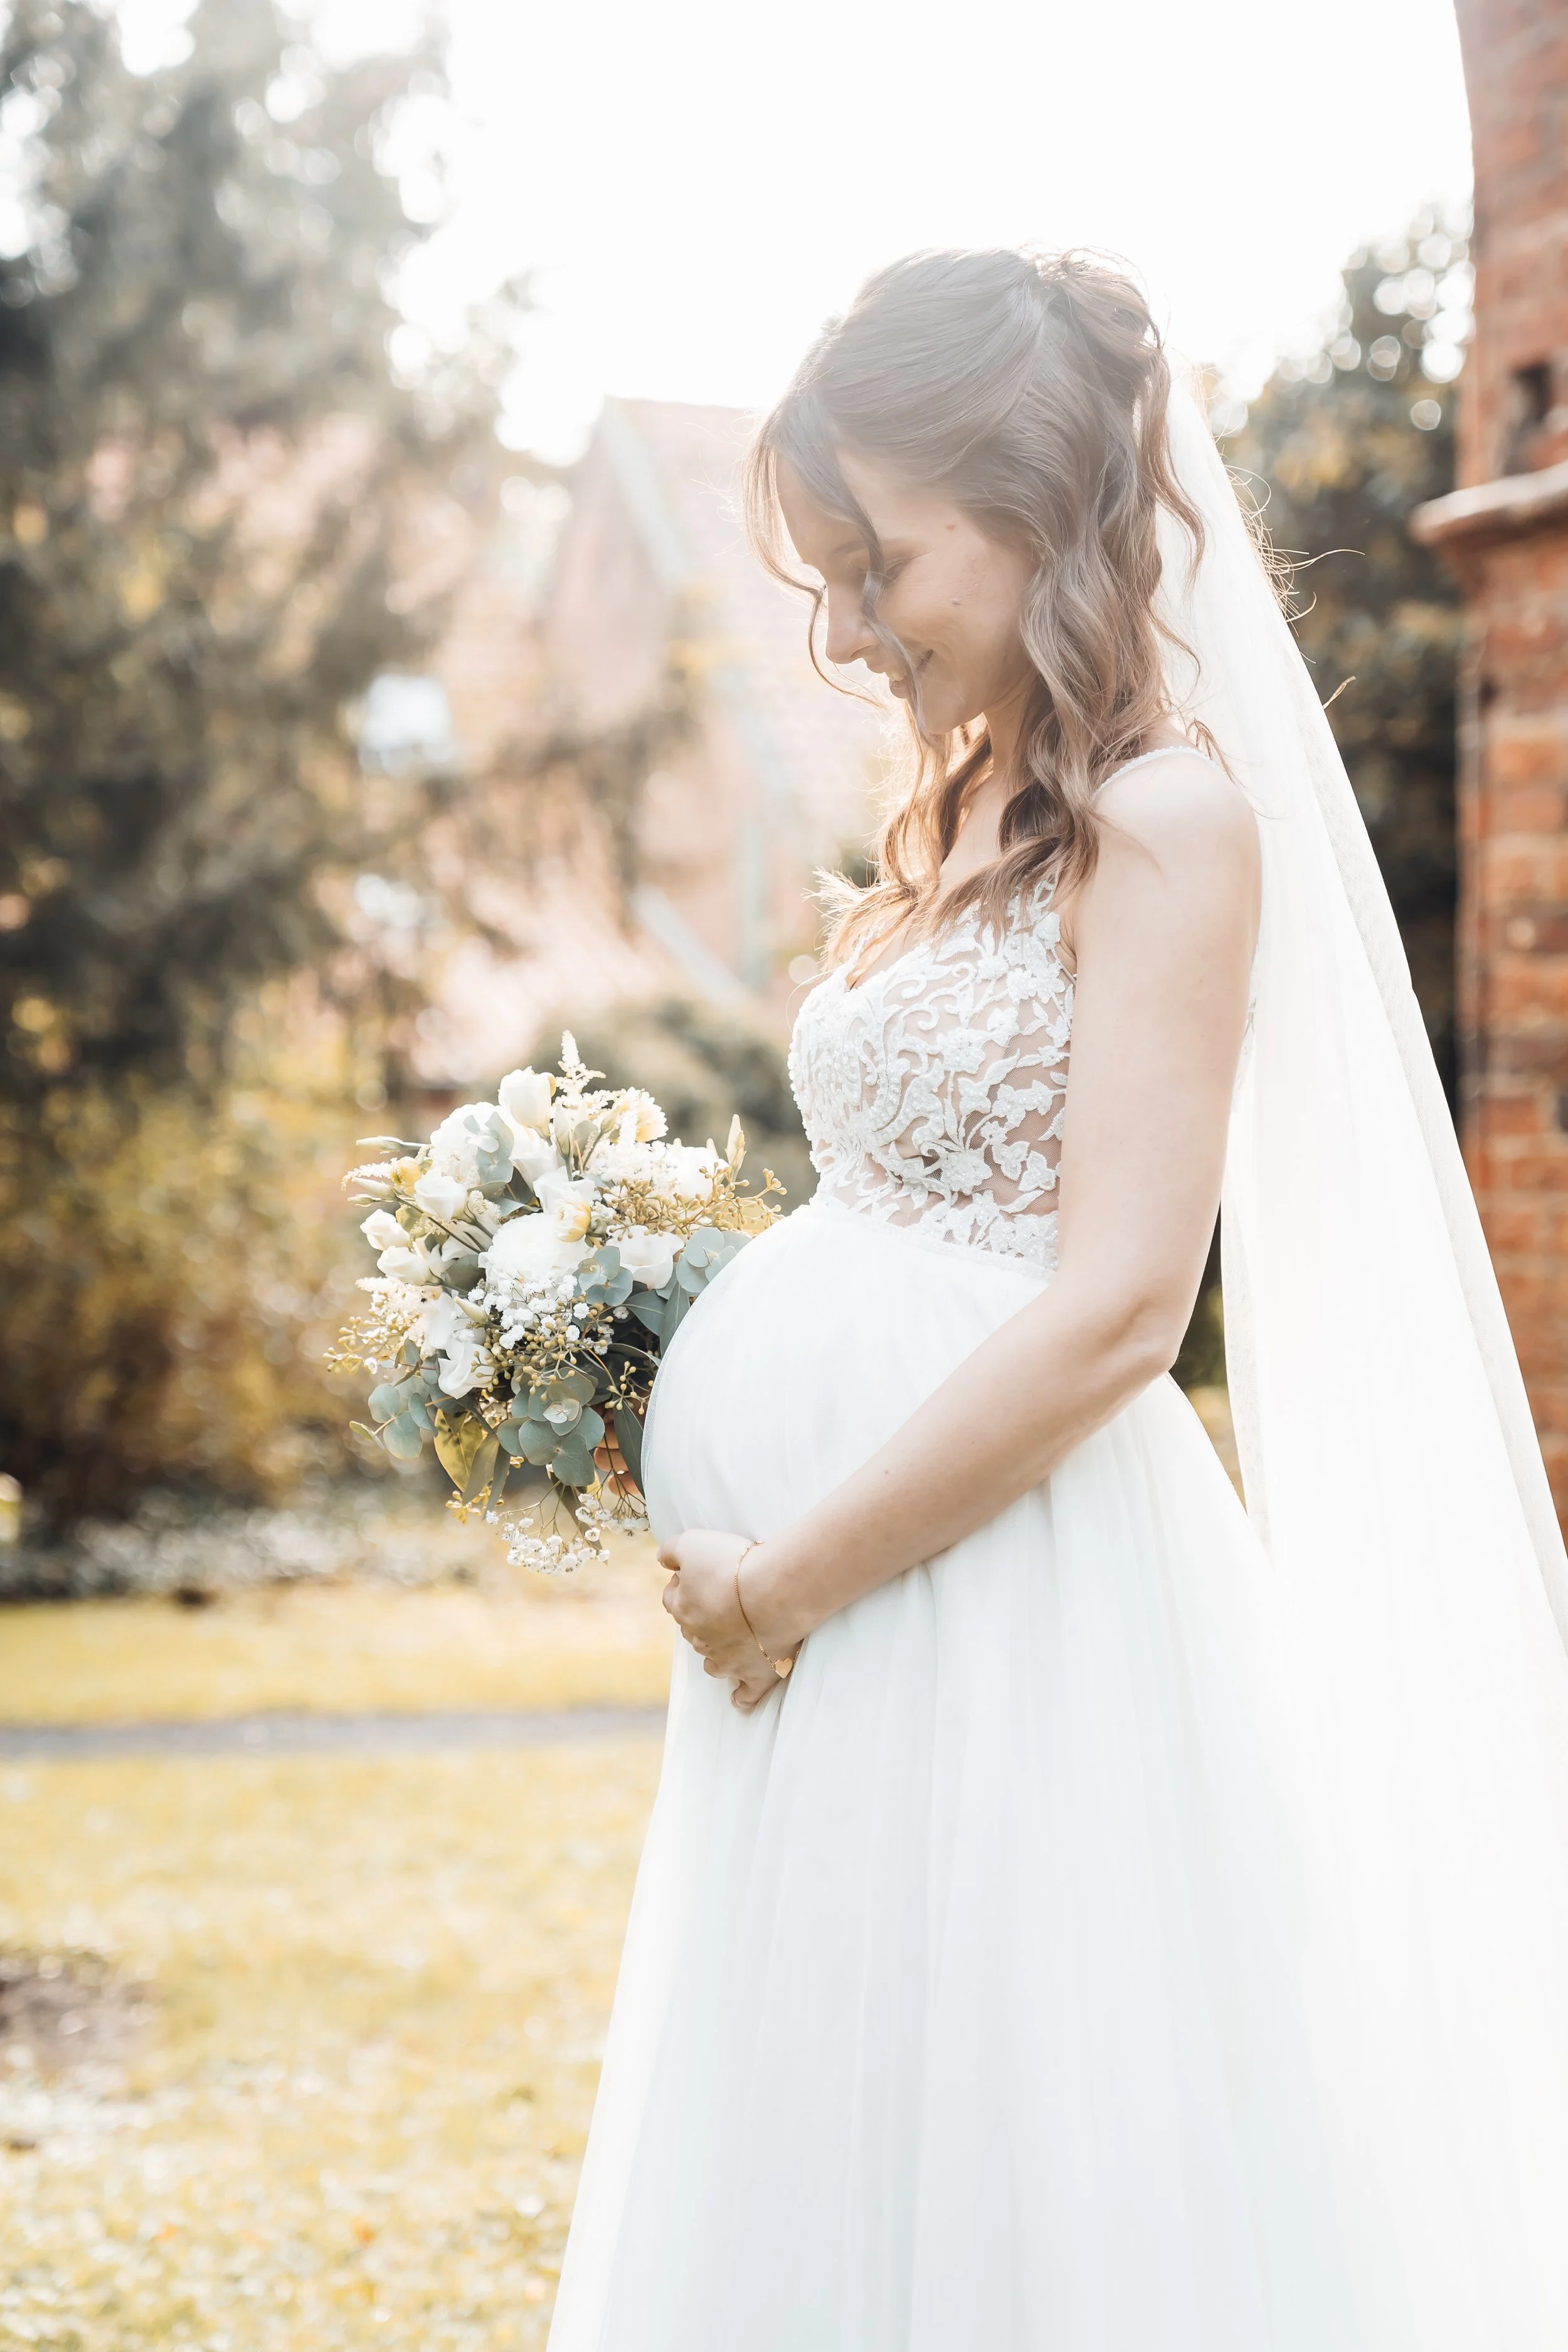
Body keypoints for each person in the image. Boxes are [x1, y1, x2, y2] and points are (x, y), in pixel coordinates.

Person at [548, 250, 1568, 2352]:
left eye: (878, 562)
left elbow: (1116, 1304)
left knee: (1017, 2138)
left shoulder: (1162, 822)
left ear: (1031, 503)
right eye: (826, 575)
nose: (848, 628)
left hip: (991, 1593)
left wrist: (789, 1576)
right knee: (833, 2113)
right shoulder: (956, 811)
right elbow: (909, 1215)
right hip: (838, 1599)